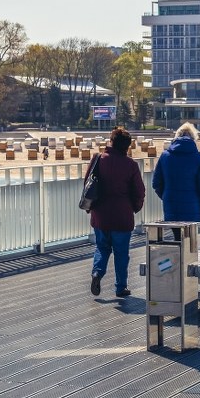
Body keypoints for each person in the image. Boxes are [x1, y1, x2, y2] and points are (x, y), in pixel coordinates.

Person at [86, 126, 146, 298]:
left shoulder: (98, 159)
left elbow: (87, 184)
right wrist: (134, 207)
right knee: (121, 253)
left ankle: (97, 273)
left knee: (102, 247)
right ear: (127, 146)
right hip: (122, 216)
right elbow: (139, 191)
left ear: (111, 142)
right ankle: (121, 287)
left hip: (100, 215)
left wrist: (91, 207)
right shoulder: (131, 165)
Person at [152, 122, 200, 239]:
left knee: (177, 240)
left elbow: (156, 183)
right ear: (193, 139)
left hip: (172, 207)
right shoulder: (198, 157)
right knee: (190, 245)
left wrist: (167, 196)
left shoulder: (165, 156)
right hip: (192, 208)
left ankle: (177, 257)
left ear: (176, 136)